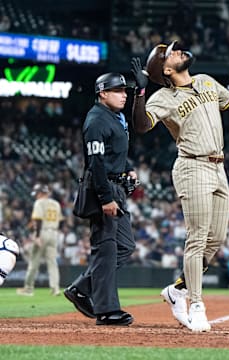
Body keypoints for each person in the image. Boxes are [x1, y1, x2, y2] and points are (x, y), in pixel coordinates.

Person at [130, 40, 229, 332]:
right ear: (167, 69)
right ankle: (196, 305)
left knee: (215, 239)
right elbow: (142, 126)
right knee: (197, 238)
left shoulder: (205, 81)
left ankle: (177, 290)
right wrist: (140, 92)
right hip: (192, 165)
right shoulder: (163, 97)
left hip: (219, 168)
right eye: (172, 53)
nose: (179, 51)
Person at [64, 73, 137, 326]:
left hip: (115, 185)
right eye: (117, 90)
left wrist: (127, 168)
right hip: (101, 188)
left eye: (125, 90)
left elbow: (113, 152)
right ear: (102, 93)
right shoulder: (96, 120)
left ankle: (81, 288)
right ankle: (107, 311)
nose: (123, 94)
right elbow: (95, 162)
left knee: (125, 246)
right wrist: (106, 198)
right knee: (105, 250)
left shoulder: (116, 117)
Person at [17, 184, 63, 296]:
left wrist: (37, 236)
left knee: (34, 262)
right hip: (54, 233)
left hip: (42, 232)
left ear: (41, 193)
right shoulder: (56, 204)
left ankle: (28, 289)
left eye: (37, 193)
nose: (36, 196)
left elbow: (38, 219)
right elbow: (61, 220)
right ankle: (55, 289)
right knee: (52, 263)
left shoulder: (39, 203)